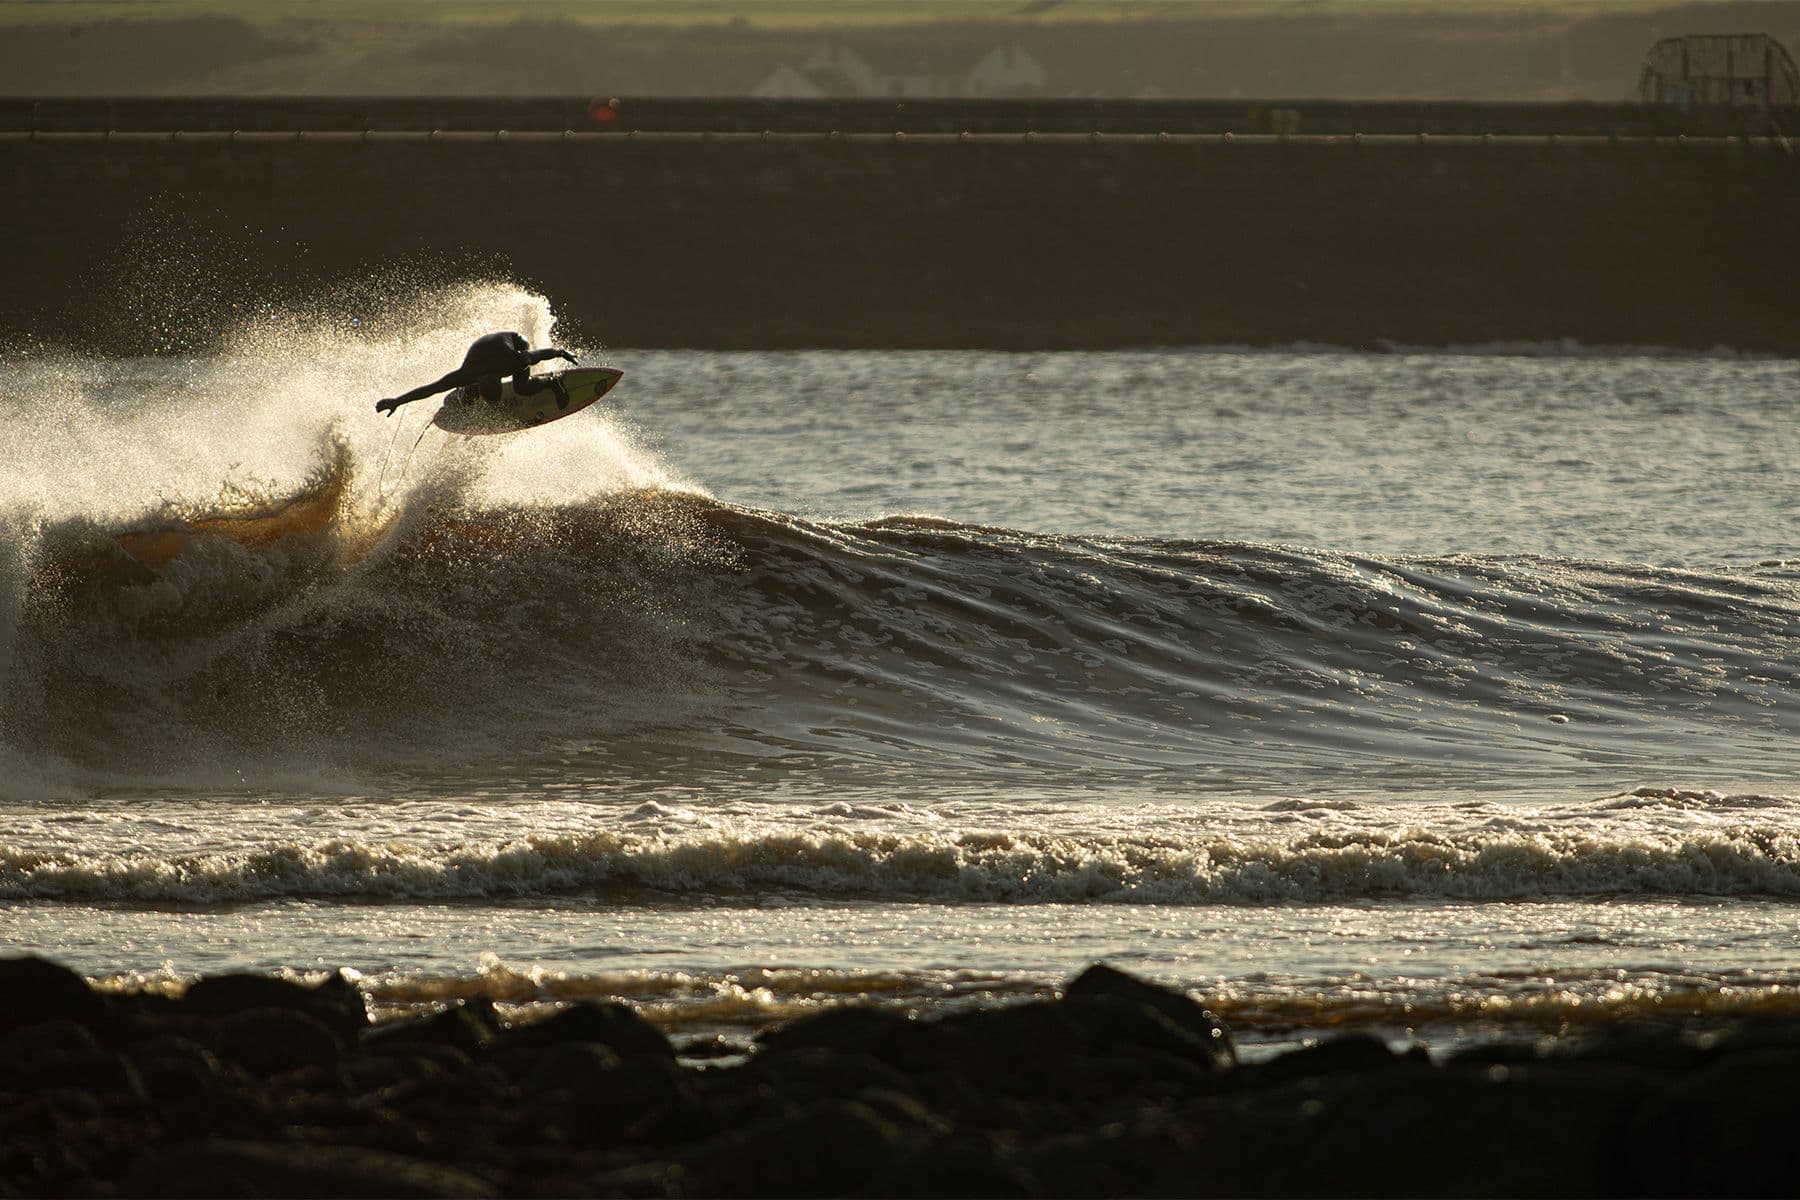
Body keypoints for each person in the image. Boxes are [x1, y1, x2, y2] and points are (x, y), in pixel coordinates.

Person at [375, 332, 577, 416]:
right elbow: (431, 389)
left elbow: (542, 353)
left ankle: (553, 383)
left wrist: (561, 352)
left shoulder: (515, 361)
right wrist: (397, 401)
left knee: (522, 388)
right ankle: (468, 394)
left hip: (515, 340)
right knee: (463, 390)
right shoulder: (466, 375)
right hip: (482, 351)